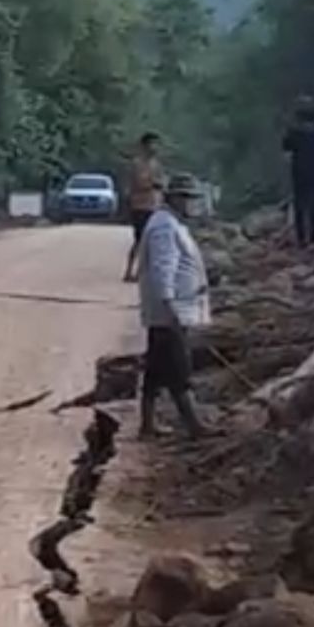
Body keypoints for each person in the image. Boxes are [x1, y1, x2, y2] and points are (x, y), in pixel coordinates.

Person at [138, 172, 211, 440]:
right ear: (176, 199)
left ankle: (147, 424)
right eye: (188, 198)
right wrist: (170, 306)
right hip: (170, 311)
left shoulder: (170, 223)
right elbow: (162, 269)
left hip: (170, 310)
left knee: (156, 369)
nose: (193, 204)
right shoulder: (164, 227)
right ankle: (194, 425)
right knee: (179, 368)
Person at [282, 94, 314, 247]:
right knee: (313, 204)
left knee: (300, 205)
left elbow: (286, 154)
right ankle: (312, 237)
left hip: (299, 171)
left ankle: (302, 239)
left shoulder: (293, 130)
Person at [123, 132, 165, 282]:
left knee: (153, 241)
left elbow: (161, 182)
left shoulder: (157, 164)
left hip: (154, 205)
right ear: (144, 146)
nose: (154, 148)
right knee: (140, 239)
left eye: (156, 144)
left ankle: (145, 272)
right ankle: (130, 270)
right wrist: (152, 184)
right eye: (151, 144)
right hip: (140, 205)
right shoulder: (137, 164)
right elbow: (138, 183)